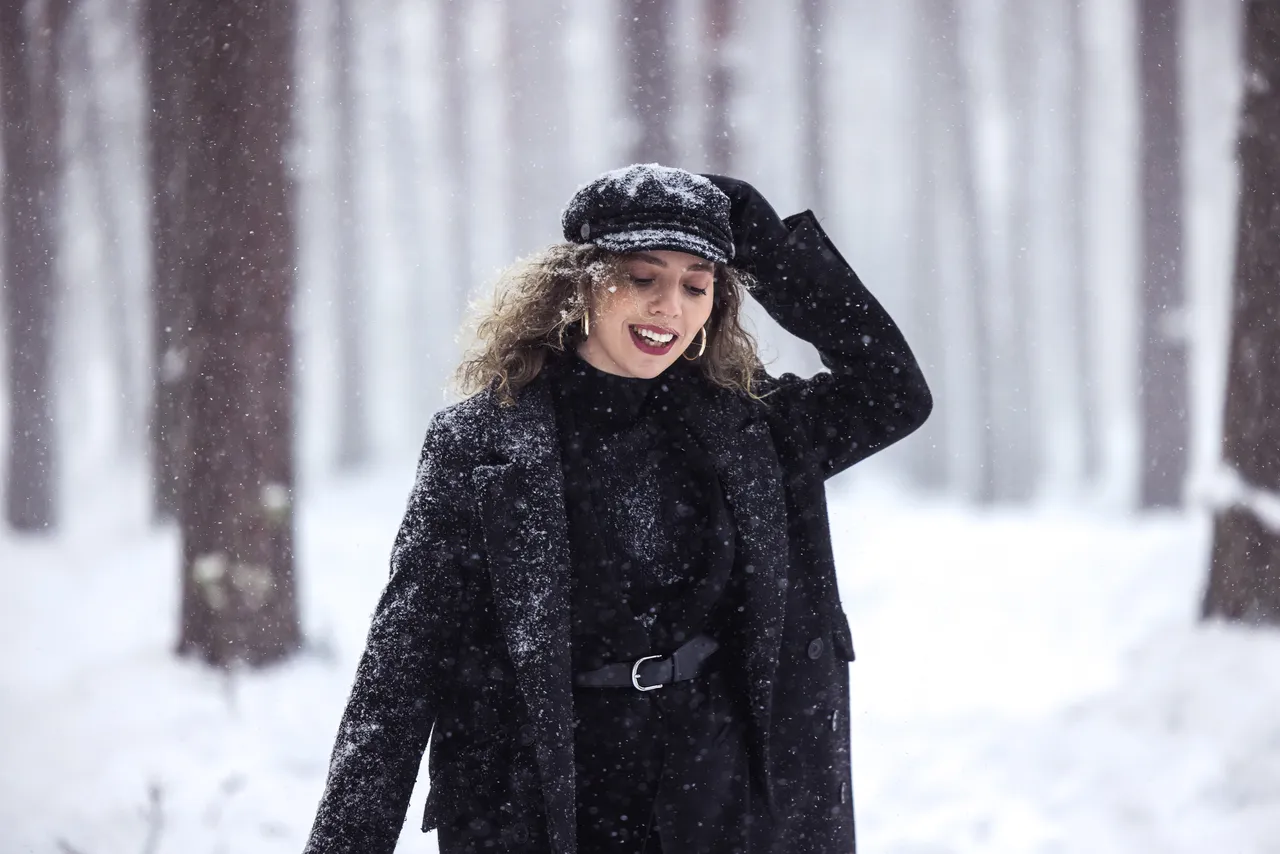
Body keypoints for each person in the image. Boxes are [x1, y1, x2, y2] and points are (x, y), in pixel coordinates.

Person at [302, 164, 932, 854]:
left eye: (697, 284)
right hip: (542, 799)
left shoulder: (748, 428)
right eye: (643, 278)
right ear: (580, 283)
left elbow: (890, 392)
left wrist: (763, 245)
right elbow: (400, 669)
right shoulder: (481, 442)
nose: (670, 306)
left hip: (716, 795)